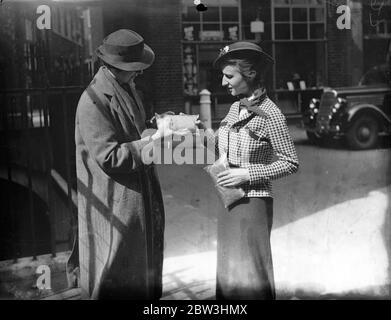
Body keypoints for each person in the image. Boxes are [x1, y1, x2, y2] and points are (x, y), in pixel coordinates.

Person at [74, 29, 170, 299]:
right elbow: (109, 156)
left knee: (140, 267)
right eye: (135, 68)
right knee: (117, 271)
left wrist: (159, 124)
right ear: (114, 66)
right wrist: (155, 142)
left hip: (138, 193)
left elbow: (133, 129)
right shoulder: (92, 101)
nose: (139, 73)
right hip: (116, 199)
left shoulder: (125, 86)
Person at [203, 41, 299, 300]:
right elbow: (222, 148)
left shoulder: (272, 115)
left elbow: (290, 162)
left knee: (252, 276)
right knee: (229, 272)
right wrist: (199, 132)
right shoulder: (235, 106)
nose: (224, 83)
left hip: (253, 203)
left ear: (251, 74)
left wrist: (247, 173)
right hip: (229, 201)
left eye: (229, 76)